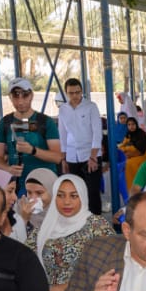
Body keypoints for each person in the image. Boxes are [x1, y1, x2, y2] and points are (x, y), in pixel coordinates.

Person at [0, 77, 63, 191]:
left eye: (25, 95)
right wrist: (8, 169)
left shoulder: (46, 122)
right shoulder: (4, 123)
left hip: (44, 186)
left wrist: (32, 150)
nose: (20, 101)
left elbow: (57, 157)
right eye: (16, 96)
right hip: (18, 186)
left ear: (31, 95)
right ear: (10, 97)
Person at [58, 77, 104, 216]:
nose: (75, 96)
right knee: (75, 193)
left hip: (90, 155)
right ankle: (79, 223)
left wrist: (93, 157)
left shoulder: (91, 107)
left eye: (77, 92)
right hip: (72, 157)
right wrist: (63, 159)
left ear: (82, 91)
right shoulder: (63, 110)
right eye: (71, 93)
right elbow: (62, 135)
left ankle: (96, 224)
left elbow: (97, 133)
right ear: (66, 93)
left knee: (92, 193)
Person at [118, 117, 146, 187]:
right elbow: (122, 145)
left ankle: (136, 184)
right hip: (133, 154)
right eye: (129, 125)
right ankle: (130, 186)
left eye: (133, 124)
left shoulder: (141, 133)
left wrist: (128, 151)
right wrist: (125, 149)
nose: (131, 126)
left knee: (130, 163)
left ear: (136, 124)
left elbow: (141, 149)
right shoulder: (128, 134)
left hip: (144, 155)